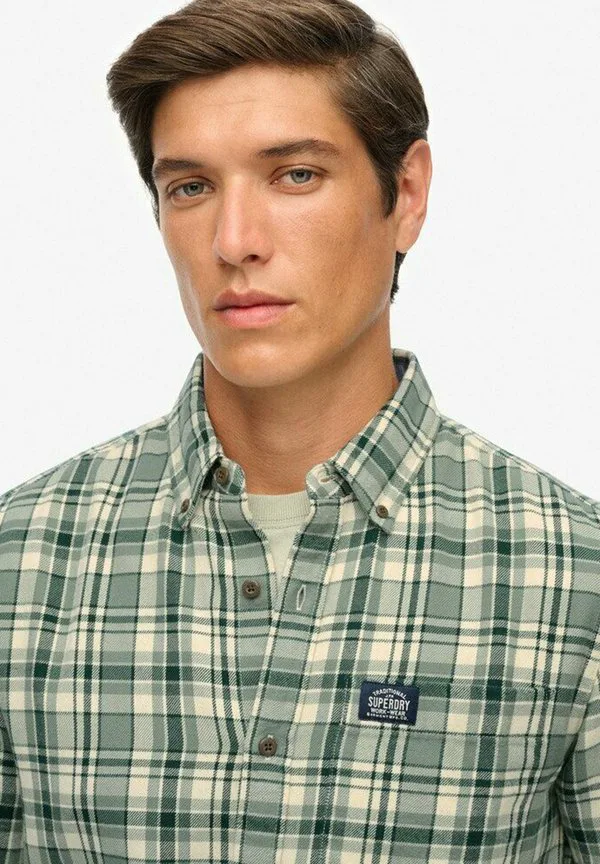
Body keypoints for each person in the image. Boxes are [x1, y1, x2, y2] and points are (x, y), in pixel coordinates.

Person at [1, 0, 598, 861]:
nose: (235, 242)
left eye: (296, 175)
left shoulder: (574, 577)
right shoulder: (22, 561)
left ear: (407, 194)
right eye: (191, 187)